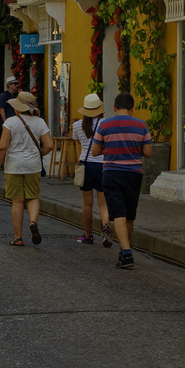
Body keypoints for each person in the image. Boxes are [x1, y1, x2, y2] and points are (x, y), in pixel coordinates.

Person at [91, 92, 152, 269]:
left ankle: (126, 253)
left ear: (114, 108)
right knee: (130, 215)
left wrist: (110, 147)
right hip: (134, 174)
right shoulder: (141, 125)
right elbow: (148, 153)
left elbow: (95, 152)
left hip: (111, 173)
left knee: (118, 213)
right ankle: (126, 247)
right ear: (132, 109)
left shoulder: (105, 125)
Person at [0, 91, 54, 246]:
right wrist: (39, 153)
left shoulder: (11, 122)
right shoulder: (40, 122)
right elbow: (50, 145)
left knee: (18, 201)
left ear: (18, 108)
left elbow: (2, 147)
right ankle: (33, 222)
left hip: (14, 166)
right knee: (33, 197)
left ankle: (18, 237)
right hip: (33, 165)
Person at [72, 93, 111, 247]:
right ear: (99, 110)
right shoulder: (106, 124)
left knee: (87, 203)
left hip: (85, 165)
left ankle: (88, 235)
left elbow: (78, 146)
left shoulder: (76, 125)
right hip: (103, 165)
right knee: (104, 203)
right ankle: (106, 227)